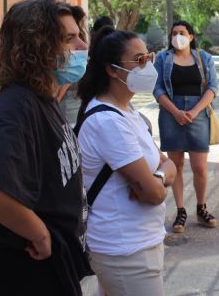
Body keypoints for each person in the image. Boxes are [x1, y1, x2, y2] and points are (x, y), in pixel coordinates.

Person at [0, 0, 91, 296]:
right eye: (69, 39)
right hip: (28, 273)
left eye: (80, 35)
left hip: (53, 269)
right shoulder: (17, 105)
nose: (81, 47)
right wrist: (39, 235)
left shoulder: (43, 98)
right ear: (37, 47)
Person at [76, 26, 176, 296]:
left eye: (149, 57)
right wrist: (160, 177)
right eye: (139, 60)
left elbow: (168, 165)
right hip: (126, 250)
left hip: (139, 243)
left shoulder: (128, 112)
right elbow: (154, 194)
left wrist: (158, 175)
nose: (148, 67)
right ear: (112, 69)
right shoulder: (107, 121)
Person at [153, 20, 219, 233]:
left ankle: (201, 208)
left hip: (198, 114)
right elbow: (157, 89)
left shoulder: (204, 58)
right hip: (171, 113)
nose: (177, 37)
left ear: (191, 36)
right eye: (173, 33)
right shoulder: (163, 59)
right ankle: (181, 211)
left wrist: (194, 111)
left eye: (181, 33)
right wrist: (176, 111)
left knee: (200, 167)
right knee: (176, 165)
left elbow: (212, 88)